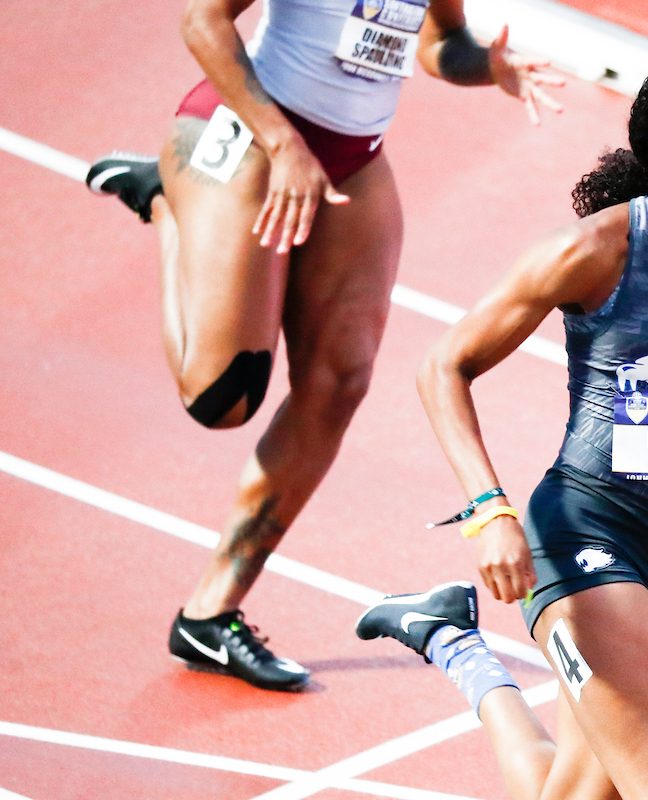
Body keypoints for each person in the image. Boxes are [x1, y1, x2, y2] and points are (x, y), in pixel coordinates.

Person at [356, 44, 648, 799]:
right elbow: (443, 367)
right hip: (584, 535)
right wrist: (488, 510)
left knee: (582, 792)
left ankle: (452, 642)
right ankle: (455, 639)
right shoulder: (594, 251)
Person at [85, 0, 563, 691]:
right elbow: (203, 22)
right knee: (221, 400)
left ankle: (209, 615)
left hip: (352, 159)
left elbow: (440, 42)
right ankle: (165, 198)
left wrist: (488, 65)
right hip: (254, 135)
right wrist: (284, 147)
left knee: (339, 384)